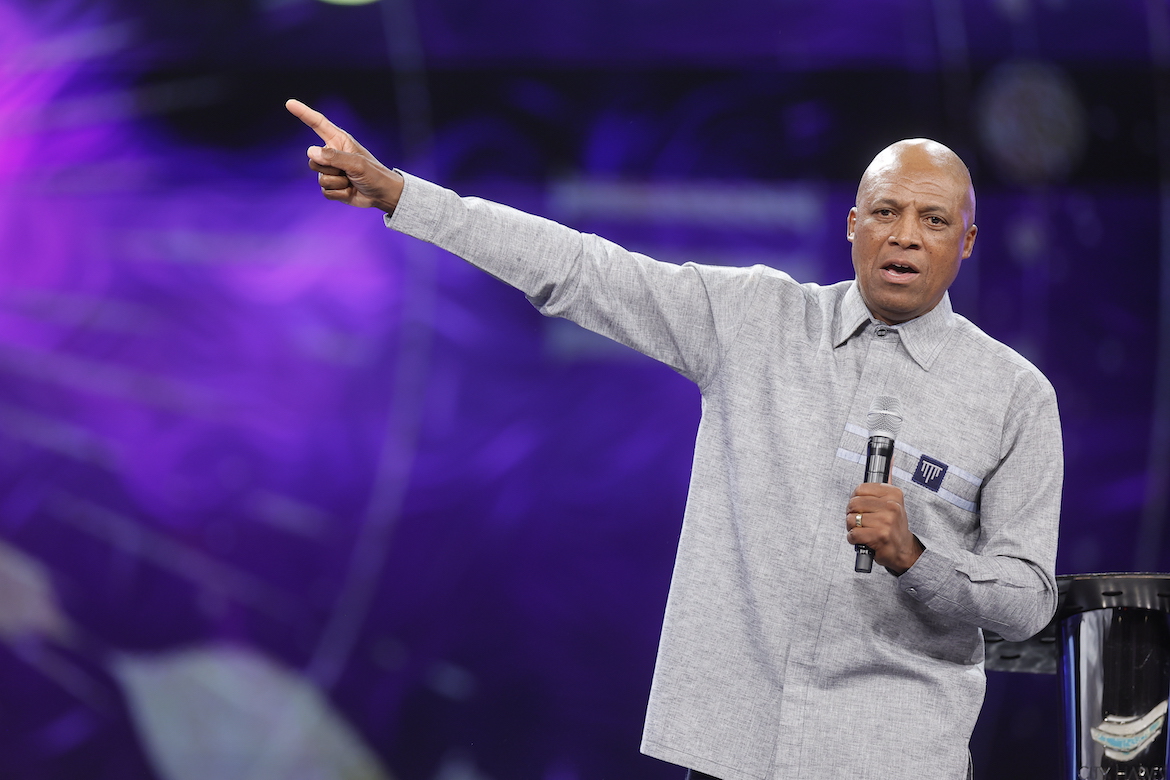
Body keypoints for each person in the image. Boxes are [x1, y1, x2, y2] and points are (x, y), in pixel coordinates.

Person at [286, 98, 1062, 780]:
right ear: (854, 225)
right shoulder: (756, 320)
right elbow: (582, 269)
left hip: (892, 759)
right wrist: (404, 196)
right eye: (886, 212)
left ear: (966, 241)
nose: (906, 237)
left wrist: (918, 560)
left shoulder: (1013, 396)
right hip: (734, 753)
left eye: (933, 221)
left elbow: (1028, 600)